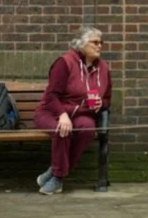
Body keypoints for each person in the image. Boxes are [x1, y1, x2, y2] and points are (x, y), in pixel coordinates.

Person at [34, 26, 112, 195]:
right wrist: (62, 115)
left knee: (87, 128)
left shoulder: (104, 69)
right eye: (95, 42)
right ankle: (58, 178)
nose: (100, 46)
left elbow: (107, 98)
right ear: (81, 44)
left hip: (81, 113)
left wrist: (101, 104)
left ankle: (54, 171)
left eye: (101, 43)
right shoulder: (65, 63)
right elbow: (52, 96)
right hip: (52, 111)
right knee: (62, 130)